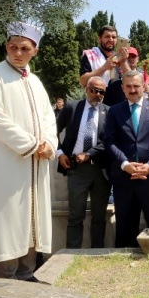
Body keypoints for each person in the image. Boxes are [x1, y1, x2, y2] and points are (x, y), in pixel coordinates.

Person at [0, 21, 57, 282]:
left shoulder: (35, 82)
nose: (18, 53)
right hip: (7, 165)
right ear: (6, 47)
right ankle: (5, 278)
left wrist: (49, 143)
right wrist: (33, 145)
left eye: (25, 48)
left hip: (35, 167)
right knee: (8, 220)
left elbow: (48, 119)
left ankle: (27, 275)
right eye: (13, 47)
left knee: (32, 220)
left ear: (35, 50)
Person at [104, 70, 149, 248]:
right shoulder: (114, 112)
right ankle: (123, 263)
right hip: (124, 177)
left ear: (143, 87)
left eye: (136, 86)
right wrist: (125, 164)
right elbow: (109, 141)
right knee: (125, 225)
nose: (133, 89)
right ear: (123, 89)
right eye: (129, 86)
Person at [56, 76, 111, 248]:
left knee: (99, 217)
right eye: (94, 90)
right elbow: (51, 130)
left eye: (101, 92)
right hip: (76, 169)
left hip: (100, 171)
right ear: (86, 89)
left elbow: (110, 140)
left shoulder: (109, 112)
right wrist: (59, 153)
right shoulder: (72, 108)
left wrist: (89, 154)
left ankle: (97, 254)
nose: (97, 95)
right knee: (75, 216)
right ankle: (71, 255)